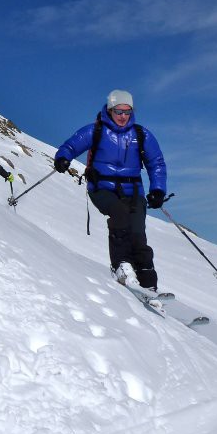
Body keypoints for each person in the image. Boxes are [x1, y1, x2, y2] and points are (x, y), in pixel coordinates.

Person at [52, 90, 167, 291]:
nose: (123, 116)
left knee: (138, 233)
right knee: (119, 214)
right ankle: (121, 266)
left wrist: (158, 189)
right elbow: (71, 145)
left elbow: (156, 163)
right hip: (101, 187)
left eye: (127, 112)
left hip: (133, 190)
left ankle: (149, 284)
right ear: (110, 109)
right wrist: (63, 158)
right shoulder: (95, 131)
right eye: (118, 111)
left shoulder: (141, 135)